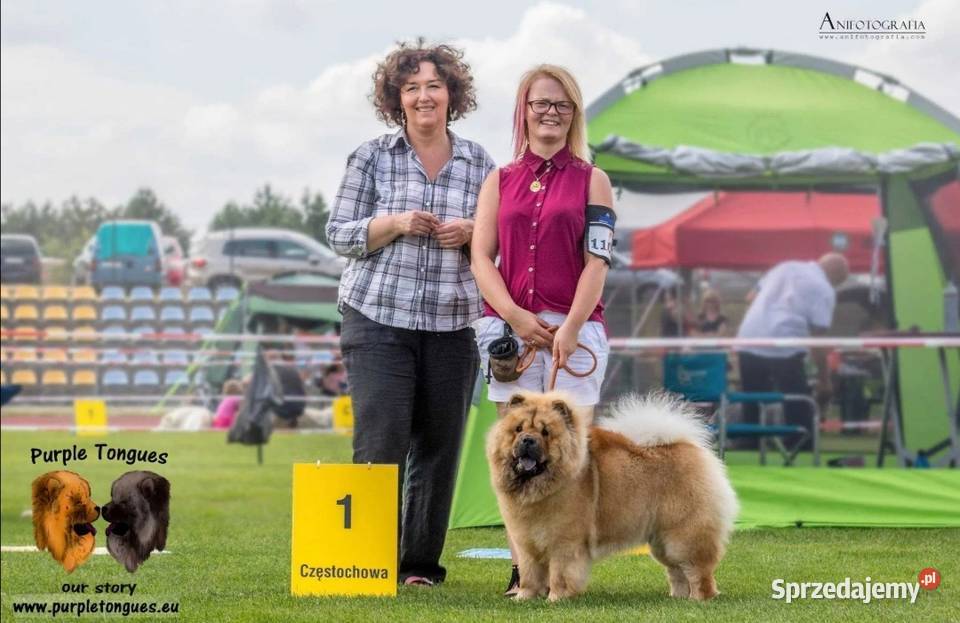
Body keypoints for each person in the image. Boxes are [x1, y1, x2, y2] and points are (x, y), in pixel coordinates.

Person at [325, 40, 495, 588]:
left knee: (439, 449)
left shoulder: (480, 164)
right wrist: (394, 223)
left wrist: (471, 233)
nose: (424, 96)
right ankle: (368, 561)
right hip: (376, 319)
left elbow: (502, 243)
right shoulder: (371, 156)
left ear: (452, 95)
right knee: (380, 444)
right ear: (397, 99)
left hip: (452, 325)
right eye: (412, 87)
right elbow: (340, 235)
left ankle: (420, 567)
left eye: (434, 86)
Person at [471, 64, 614, 596]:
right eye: (540, 104)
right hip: (512, 334)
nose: (550, 113)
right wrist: (512, 315)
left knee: (568, 463)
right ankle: (522, 571)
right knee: (514, 456)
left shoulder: (593, 179)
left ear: (573, 114)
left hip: (572, 333)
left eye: (561, 105)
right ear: (523, 110)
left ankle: (565, 572)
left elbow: (596, 263)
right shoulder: (499, 180)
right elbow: (481, 257)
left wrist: (571, 327)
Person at [736, 253, 850, 449]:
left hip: (749, 336)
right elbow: (817, 339)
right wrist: (824, 380)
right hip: (783, 342)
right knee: (798, 400)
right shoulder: (824, 290)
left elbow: (750, 297)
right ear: (836, 275)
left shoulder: (785, 266)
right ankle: (800, 444)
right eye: (838, 282)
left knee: (752, 397)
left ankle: (749, 443)